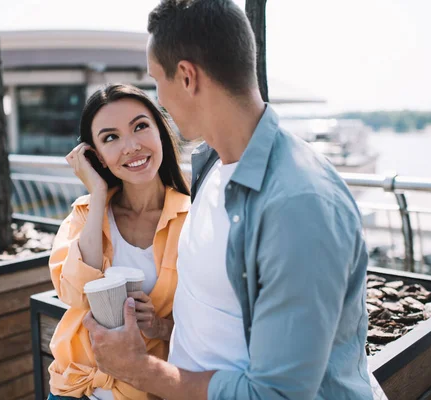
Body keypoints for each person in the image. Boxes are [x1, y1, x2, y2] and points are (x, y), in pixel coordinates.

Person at [83, 1, 374, 399]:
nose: (159, 100)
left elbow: (276, 395)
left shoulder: (299, 207)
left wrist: (138, 369)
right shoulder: (211, 167)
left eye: (156, 81)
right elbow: (218, 316)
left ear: (186, 77)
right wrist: (162, 329)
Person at [47, 83, 191, 400]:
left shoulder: (193, 218)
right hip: (73, 388)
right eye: (111, 137)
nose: (131, 146)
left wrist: (159, 326)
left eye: (140, 127)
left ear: (160, 130)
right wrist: (97, 195)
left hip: (143, 391)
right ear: (96, 155)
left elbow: (208, 322)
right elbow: (73, 294)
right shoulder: (85, 214)